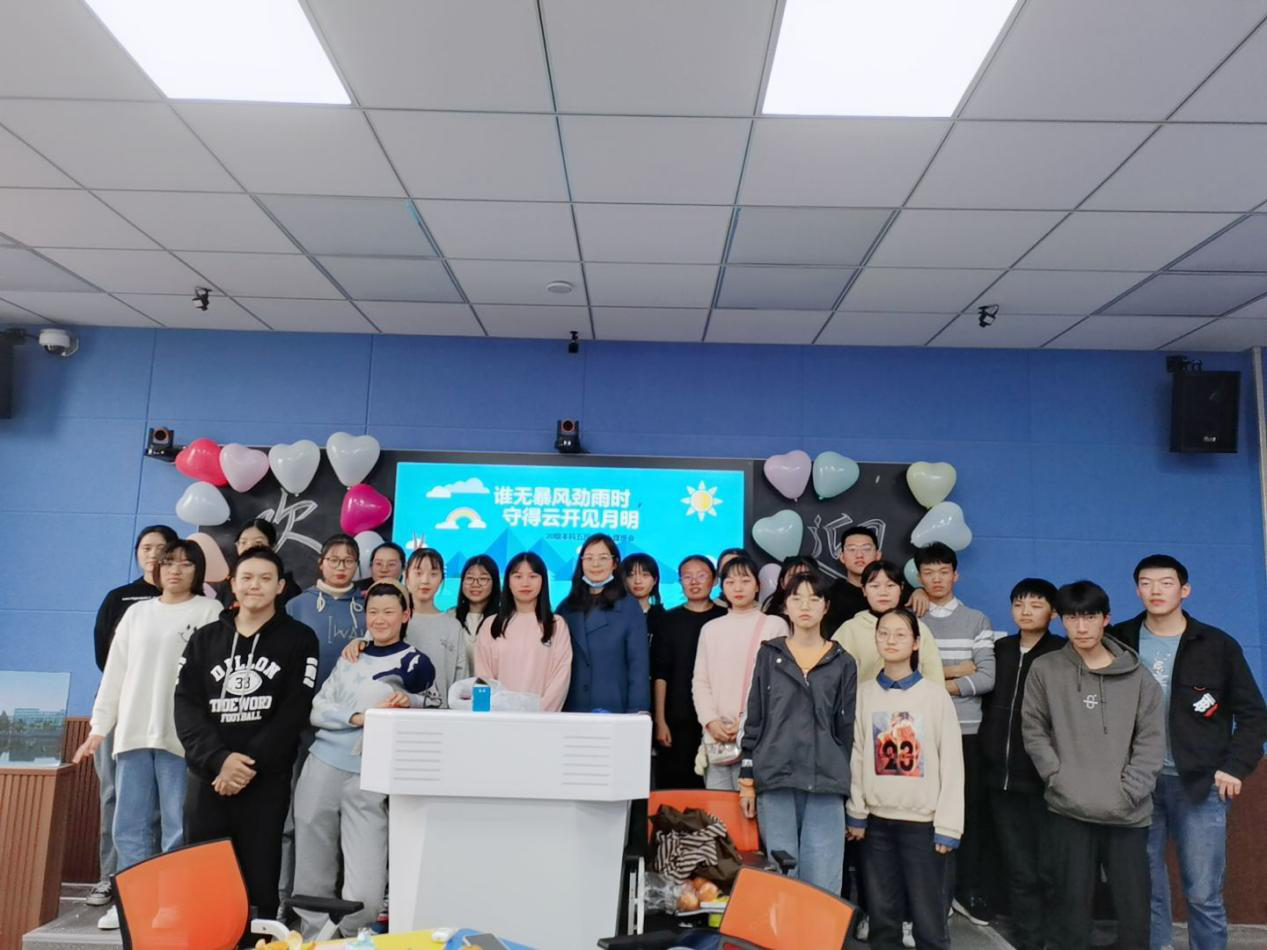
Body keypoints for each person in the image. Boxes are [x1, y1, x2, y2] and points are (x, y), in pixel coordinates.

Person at [1109, 555, 1267, 950]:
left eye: (1166, 583)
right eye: (1146, 583)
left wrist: (1235, 767)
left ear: (1185, 590)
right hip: (1137, 784)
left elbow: (1253, 713)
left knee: (1202, 893)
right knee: (1146, 888)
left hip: (1199, 784)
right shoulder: (1119, 639)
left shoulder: (1216, 645)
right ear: (1137, 590)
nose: (1156, 591)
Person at [76, 539, 222, 930]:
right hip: (133, 733)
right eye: (168, 562)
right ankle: (131, 904)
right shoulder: (136, 613)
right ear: (157, 568)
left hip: (182, 737)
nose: (175, 570)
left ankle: (172, 903)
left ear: (198, 571)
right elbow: (115, 674)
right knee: (129, 826)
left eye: (186, 564)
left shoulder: (209, 611)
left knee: (177, 824)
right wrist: (99, 728)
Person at [174, 546, 319, 925]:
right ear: (233, 584)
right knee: (205, 875)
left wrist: (244, 766)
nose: (256, 585)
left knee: (259, 878)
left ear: (280, 586)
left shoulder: (300, 639)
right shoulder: (204, 639)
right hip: (209, 778)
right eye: (247, 578)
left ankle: (257, 939)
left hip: (264, 780)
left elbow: (295, 709)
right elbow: (186, 706)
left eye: (266, 578)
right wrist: (219, 760)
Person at [1022, 580, 1164, 950]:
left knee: (1133, 912)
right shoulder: (1045, 669)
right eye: (1072, 618)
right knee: (1071, 908)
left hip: (1127, 812)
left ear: (1106, 619)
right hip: (1068, 807)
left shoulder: (1139, 677)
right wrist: (1057, 777)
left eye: (1089, 617)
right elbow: (1034, 729)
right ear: (1061, 620)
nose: (1081, 627)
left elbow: (1151, 740)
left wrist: (1130, 790)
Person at [292, 582, 439, 938]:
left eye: (389, 612)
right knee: (312, 861)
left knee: (367, 892)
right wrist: (356, 717)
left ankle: (348, 936)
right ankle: (315, 938)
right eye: (373, 612)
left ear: (405, 615)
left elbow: (433, 705)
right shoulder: (351, 655)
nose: (380, 619)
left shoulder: (415, 662)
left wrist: (409, 703)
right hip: (323, 762)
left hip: (370, 775)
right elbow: (317, 708)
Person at [847, 607, 964, 950]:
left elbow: (952, 763)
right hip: (876, 824)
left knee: (929, 920)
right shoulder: (864, 694)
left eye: (901, 634)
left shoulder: (934, 696)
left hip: (923, 826)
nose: (891, 640)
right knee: (883, 917)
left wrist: (949, 825)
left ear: (915, 643)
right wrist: (857, 812)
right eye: (883, 633)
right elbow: (857, 754)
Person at [739, 571, 856, 894]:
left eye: (814, 599)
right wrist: (747, 781)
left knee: (823, 882)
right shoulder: (769, 655)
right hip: (776, 777)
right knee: (781, 879)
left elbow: (846, 730)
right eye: (797, 598)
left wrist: (847, 783)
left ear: (826, 607)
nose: (805, 606)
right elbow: (755, 719)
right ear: (785, 606)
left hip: (826, 782)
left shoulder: (843, 661)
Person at [86, 523, 177, 908]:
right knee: (115, 794)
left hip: (170, 716)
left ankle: (161, 883)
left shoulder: (194, 603)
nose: (153, 555)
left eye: (161, 549)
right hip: (123, 709)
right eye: (146, 548)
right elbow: (105, 657)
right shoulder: (120, 599)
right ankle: (112, 877)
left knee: (166, 803)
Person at [978, 578, 1065, 950]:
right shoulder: (999, 650)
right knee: (1018, 867)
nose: (1026, 612)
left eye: (1036, 604)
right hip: (1000, 778)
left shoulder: (1063, 653)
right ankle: (1029, 940)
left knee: (1051, 867)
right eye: (1019, 604)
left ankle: (1057, 938)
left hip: (1046, 781)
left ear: (1054, 612)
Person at [914, 542, 997, 923]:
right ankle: (933, 894)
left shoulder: (977, 620)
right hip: (921, 733)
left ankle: (966, 891)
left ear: (955, 575)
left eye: (943, 571)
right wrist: (957, 670)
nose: (936, 579)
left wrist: (933, 681)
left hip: (967, 733)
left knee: (968, 815)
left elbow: (987, 677)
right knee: (924, 818)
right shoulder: (911, 619)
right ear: (919, 577)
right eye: (928, 573)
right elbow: (902, 672)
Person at [692, 554, 787, 790]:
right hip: (718, 738)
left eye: (745, 581)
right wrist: (711, 721)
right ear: (722, 586)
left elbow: (779, 683)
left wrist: (746, 723)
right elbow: (701, 682)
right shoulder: (710, 629)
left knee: (755, 808)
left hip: (758, 737)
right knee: (718, 809)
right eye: (730, 582)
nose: (738, 588)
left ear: (758, 585)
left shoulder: (774, 625)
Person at [651, 555, 726, 789]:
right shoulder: (668, 620)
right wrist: (660, 721)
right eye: (687, 576)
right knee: (675, 789)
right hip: (677, 717)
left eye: (701, 576)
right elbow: (661, 674)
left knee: (715, 789)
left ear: (714, 580)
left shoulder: (724, 618)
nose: (694, 582)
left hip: (718, 719)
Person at [474, 552, 572, 712]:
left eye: (533, 576)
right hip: (498, 718)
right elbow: (483, 675)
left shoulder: (556, 625)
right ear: (508, 582)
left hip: (543, 719)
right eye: (518, 576)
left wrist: (540, 713)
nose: (525, 583)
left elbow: (561, 677)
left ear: (543, 581)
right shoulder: (491, 624)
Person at [833, 561, 944, 684]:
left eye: (890, 585)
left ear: (901, 588)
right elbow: (833, 678)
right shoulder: (850, 629)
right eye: (875, 586)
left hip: (915, 696)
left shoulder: (918, 628)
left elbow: (935, 678)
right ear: (864, 590)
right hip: (864, 696)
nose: (883, 592)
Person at [285, 534, 366, 689]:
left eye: (348, 561)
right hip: (307, 694)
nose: (341, 567)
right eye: (334, 560)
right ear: (321, 563)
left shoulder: (368, 606)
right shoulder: (297, 605)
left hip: (357, 694)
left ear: (357, 565)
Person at [823, 526, 929, 636]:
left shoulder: (898, 590)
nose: (859, 555)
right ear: (842, 557)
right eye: (852, 549)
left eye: (866, 549)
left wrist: (920, 591)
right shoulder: (831, 598)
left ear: (878, 555)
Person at [402, 547, 469, 706]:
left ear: (441, 580)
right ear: (406, 576)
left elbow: (461, 680)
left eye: (433, 574)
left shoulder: (452, 626)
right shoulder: (394, 619)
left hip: (441, 713)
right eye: (418, 573)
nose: (425, 580)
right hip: (397, 711)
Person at [215, 519, 302, 608]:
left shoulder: (288, 588)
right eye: (243, 542)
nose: (249, 547)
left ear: (272, 546)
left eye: (258, 543)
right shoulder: (228, 586)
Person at [450, 554, 500, 671]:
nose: (475, 584)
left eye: (483, 579)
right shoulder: (450, 617)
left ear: (494, 582)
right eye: (469, 578)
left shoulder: (504, 620)